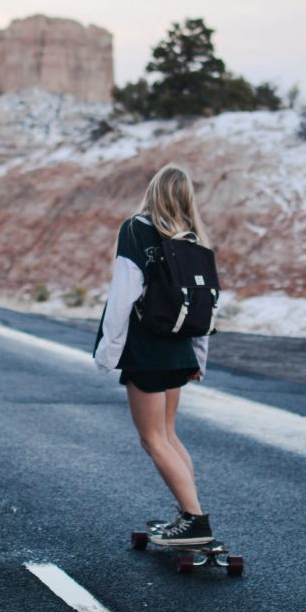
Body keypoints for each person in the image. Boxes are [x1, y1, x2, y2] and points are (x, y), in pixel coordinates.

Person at [93, 164, 214, 546]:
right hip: (179, 349)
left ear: (153, 192)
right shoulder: (193, 239)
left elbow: (123, 295)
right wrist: (198, 358)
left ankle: (194, 519)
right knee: (168, 434)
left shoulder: (135, 230)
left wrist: (107, 352)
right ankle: (187, 514)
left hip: (146, 350)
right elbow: (208, 306)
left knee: (153, 439)